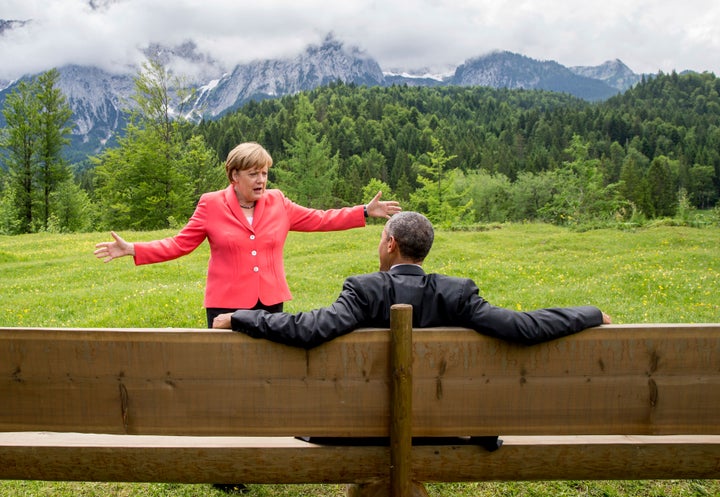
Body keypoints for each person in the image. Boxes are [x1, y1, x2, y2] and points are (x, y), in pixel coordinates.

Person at [94, 142, 402, 328]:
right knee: (226, 370)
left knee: (268, 368)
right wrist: (134, 248)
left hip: (270, 301)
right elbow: (179, 244)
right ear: (234, 176)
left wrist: (362, 211)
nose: (261, 180)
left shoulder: (279, 201)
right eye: (254, 173)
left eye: (265, 173)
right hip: (225, 303)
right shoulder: (210, 204)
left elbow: (319, 219)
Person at [212, 211, 611, 346]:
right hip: (445, 428)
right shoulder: (457, 293)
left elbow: (309, 329)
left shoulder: (363, 290)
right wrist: (590, 313)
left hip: (361, 429)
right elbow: (523, 326)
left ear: (390, 244)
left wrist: (240, 317)